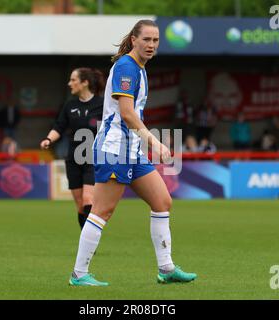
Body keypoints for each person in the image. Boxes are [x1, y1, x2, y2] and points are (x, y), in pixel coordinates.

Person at [68, 19, 196, 287]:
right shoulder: (127, 66)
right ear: (134, 40)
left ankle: (166, 268)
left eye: (155, 40)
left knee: (162, 201)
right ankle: (79, 274)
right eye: (146, 39)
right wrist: (155, 142)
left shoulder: (139, 68)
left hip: (132, 150)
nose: (151, 45)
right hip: (115, 148)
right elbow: (126, 114)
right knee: (103, 210)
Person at [40, 68, 105, 230]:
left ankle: (91, 239)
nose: (70, 84)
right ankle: (86, 241)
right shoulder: (70, 106)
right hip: (73, 158)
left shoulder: (102, 104)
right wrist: (48, 139)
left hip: (94, 158)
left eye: (73, 80)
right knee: (80, 204)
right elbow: (59, 127)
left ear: (85, 83)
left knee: (88, 199)